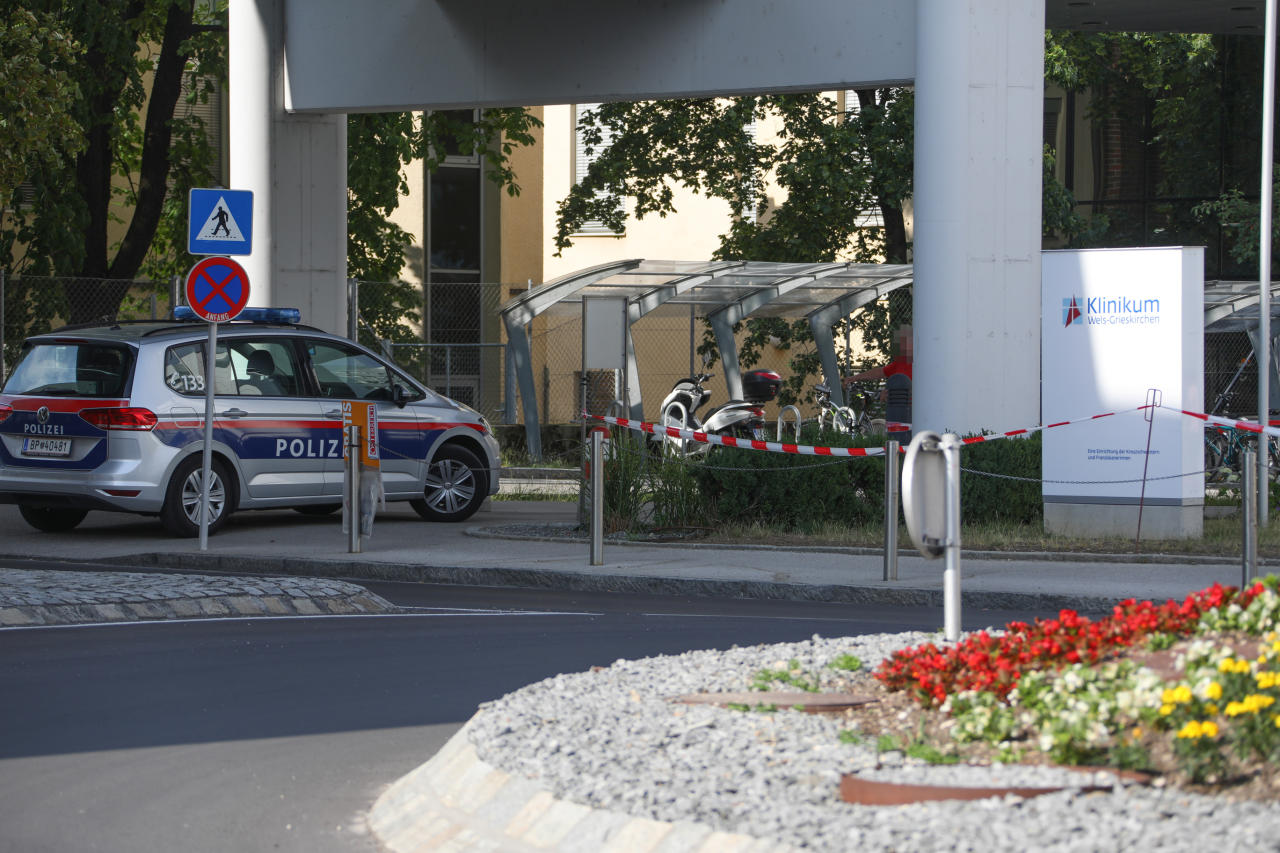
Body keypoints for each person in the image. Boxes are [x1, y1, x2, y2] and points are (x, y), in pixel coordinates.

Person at [843, 325, 912, 436]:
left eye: (903, 342)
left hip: (913, 413)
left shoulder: (922, 361)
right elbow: (880, 372)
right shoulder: (901, 362)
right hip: (897, 413)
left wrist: (893, 393)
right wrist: (853, 378)